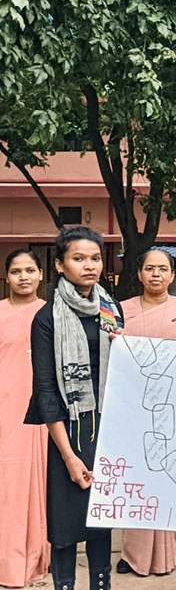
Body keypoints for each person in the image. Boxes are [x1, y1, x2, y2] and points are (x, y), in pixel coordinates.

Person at [24, 227, 124, 590]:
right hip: (68, 432)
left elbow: (128, 373)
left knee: (101, 518)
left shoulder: (111, 310)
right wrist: (68, 456)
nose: (89, 265)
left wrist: (126, 348)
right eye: (78, 259)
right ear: (60, 264)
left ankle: (102, 584)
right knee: (65, 525)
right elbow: (46, 391)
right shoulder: (47, 319)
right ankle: (64, 584)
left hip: (108, 430)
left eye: (95, 258)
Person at [116, 249, 176, 576]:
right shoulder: (120, 312)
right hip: (133, 408)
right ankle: (133, 552)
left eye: (163, 269)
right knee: (138, 477)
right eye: (150, 268)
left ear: (172, 275)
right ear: (139, 274)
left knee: (174, 472)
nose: (156, 274)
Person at [0, 250, 49, 587]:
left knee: (43, 483)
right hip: (5, 408)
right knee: (8, 485)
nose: (23, 277)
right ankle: (8, 560)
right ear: (7, 277)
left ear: (42, 274)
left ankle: (37, 557)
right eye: (16, 271)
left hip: (45, 411)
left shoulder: (53, 314)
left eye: (30, 270)